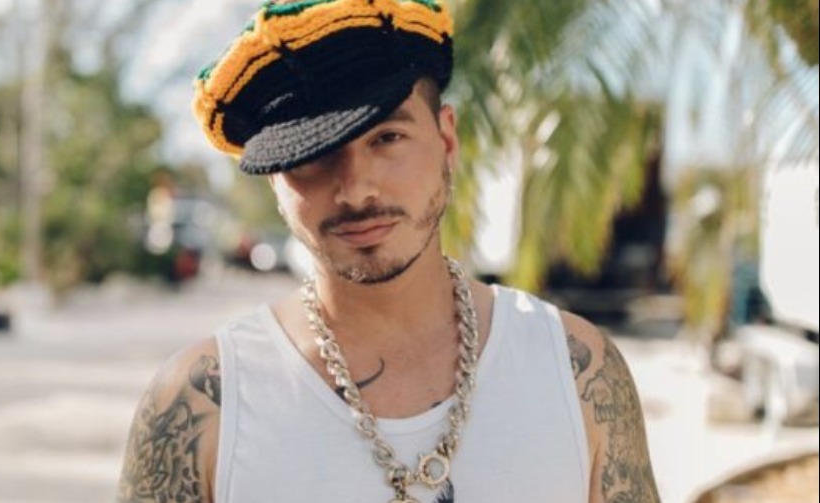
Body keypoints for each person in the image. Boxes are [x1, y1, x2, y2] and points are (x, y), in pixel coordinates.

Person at [116, 1, 660, 502]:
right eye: (312, 156)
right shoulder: (202, 404)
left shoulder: (576, 370)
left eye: (387, 138)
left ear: (447, 141)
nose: (356, 191)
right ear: (274, 180)